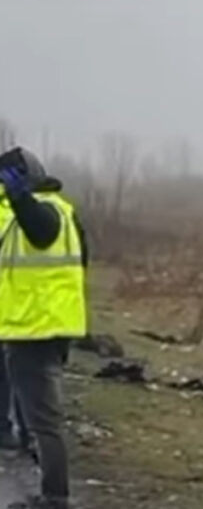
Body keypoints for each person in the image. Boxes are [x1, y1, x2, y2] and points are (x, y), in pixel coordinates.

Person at [0, 147, 89, 509]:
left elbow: (40, 230)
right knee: (39, 414)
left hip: (32, 327)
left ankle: (55, 497)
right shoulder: (65, 211)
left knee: (44, 420)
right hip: (51, 325)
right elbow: (82, 259)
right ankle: (50, 488)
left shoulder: (40, 213)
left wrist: (19, 198)